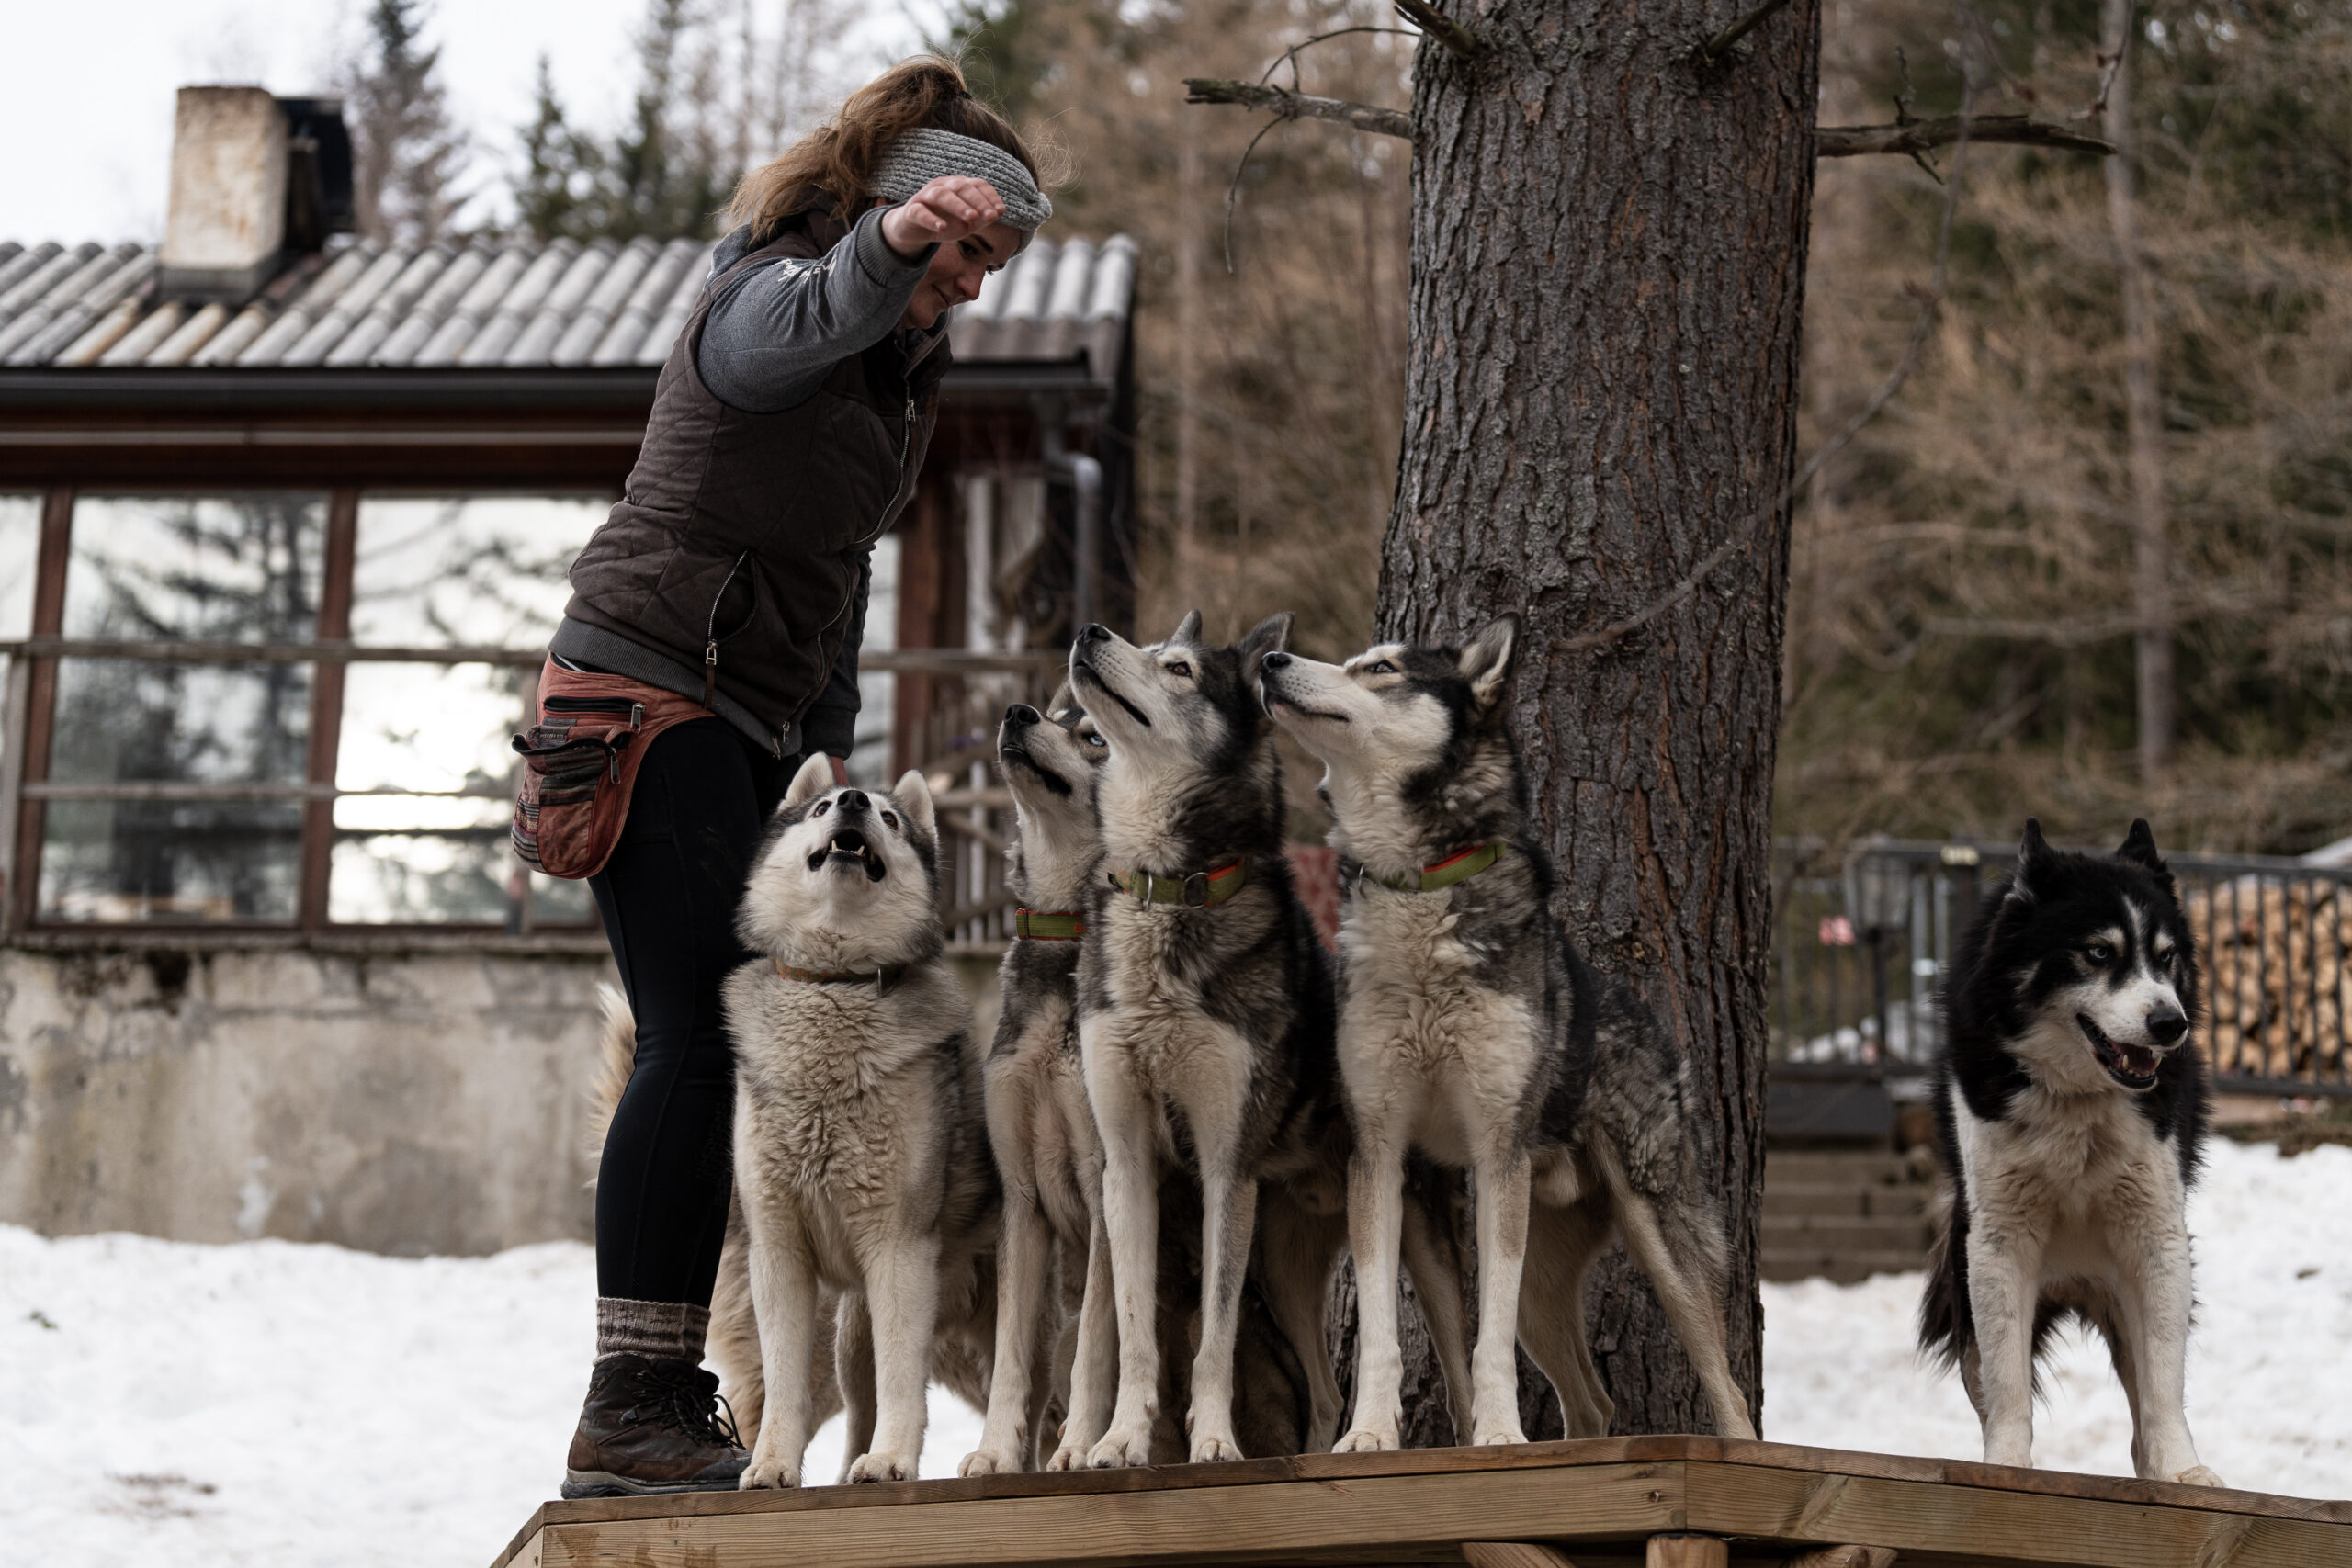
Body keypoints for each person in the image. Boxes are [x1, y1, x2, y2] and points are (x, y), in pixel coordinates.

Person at [547, 57, 1051, 1497]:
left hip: (745, 713)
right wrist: (888, 251)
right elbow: (784, 345)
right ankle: (632, 1404)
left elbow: (838, 564)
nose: (968, 288)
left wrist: (822, 734)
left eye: (988, 267)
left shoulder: (897, 369)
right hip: (646, 689)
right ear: (898, 215)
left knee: (711, 1040)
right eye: (962, 253)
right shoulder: (768, 291)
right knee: (696, 1038)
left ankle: (652, 1403)